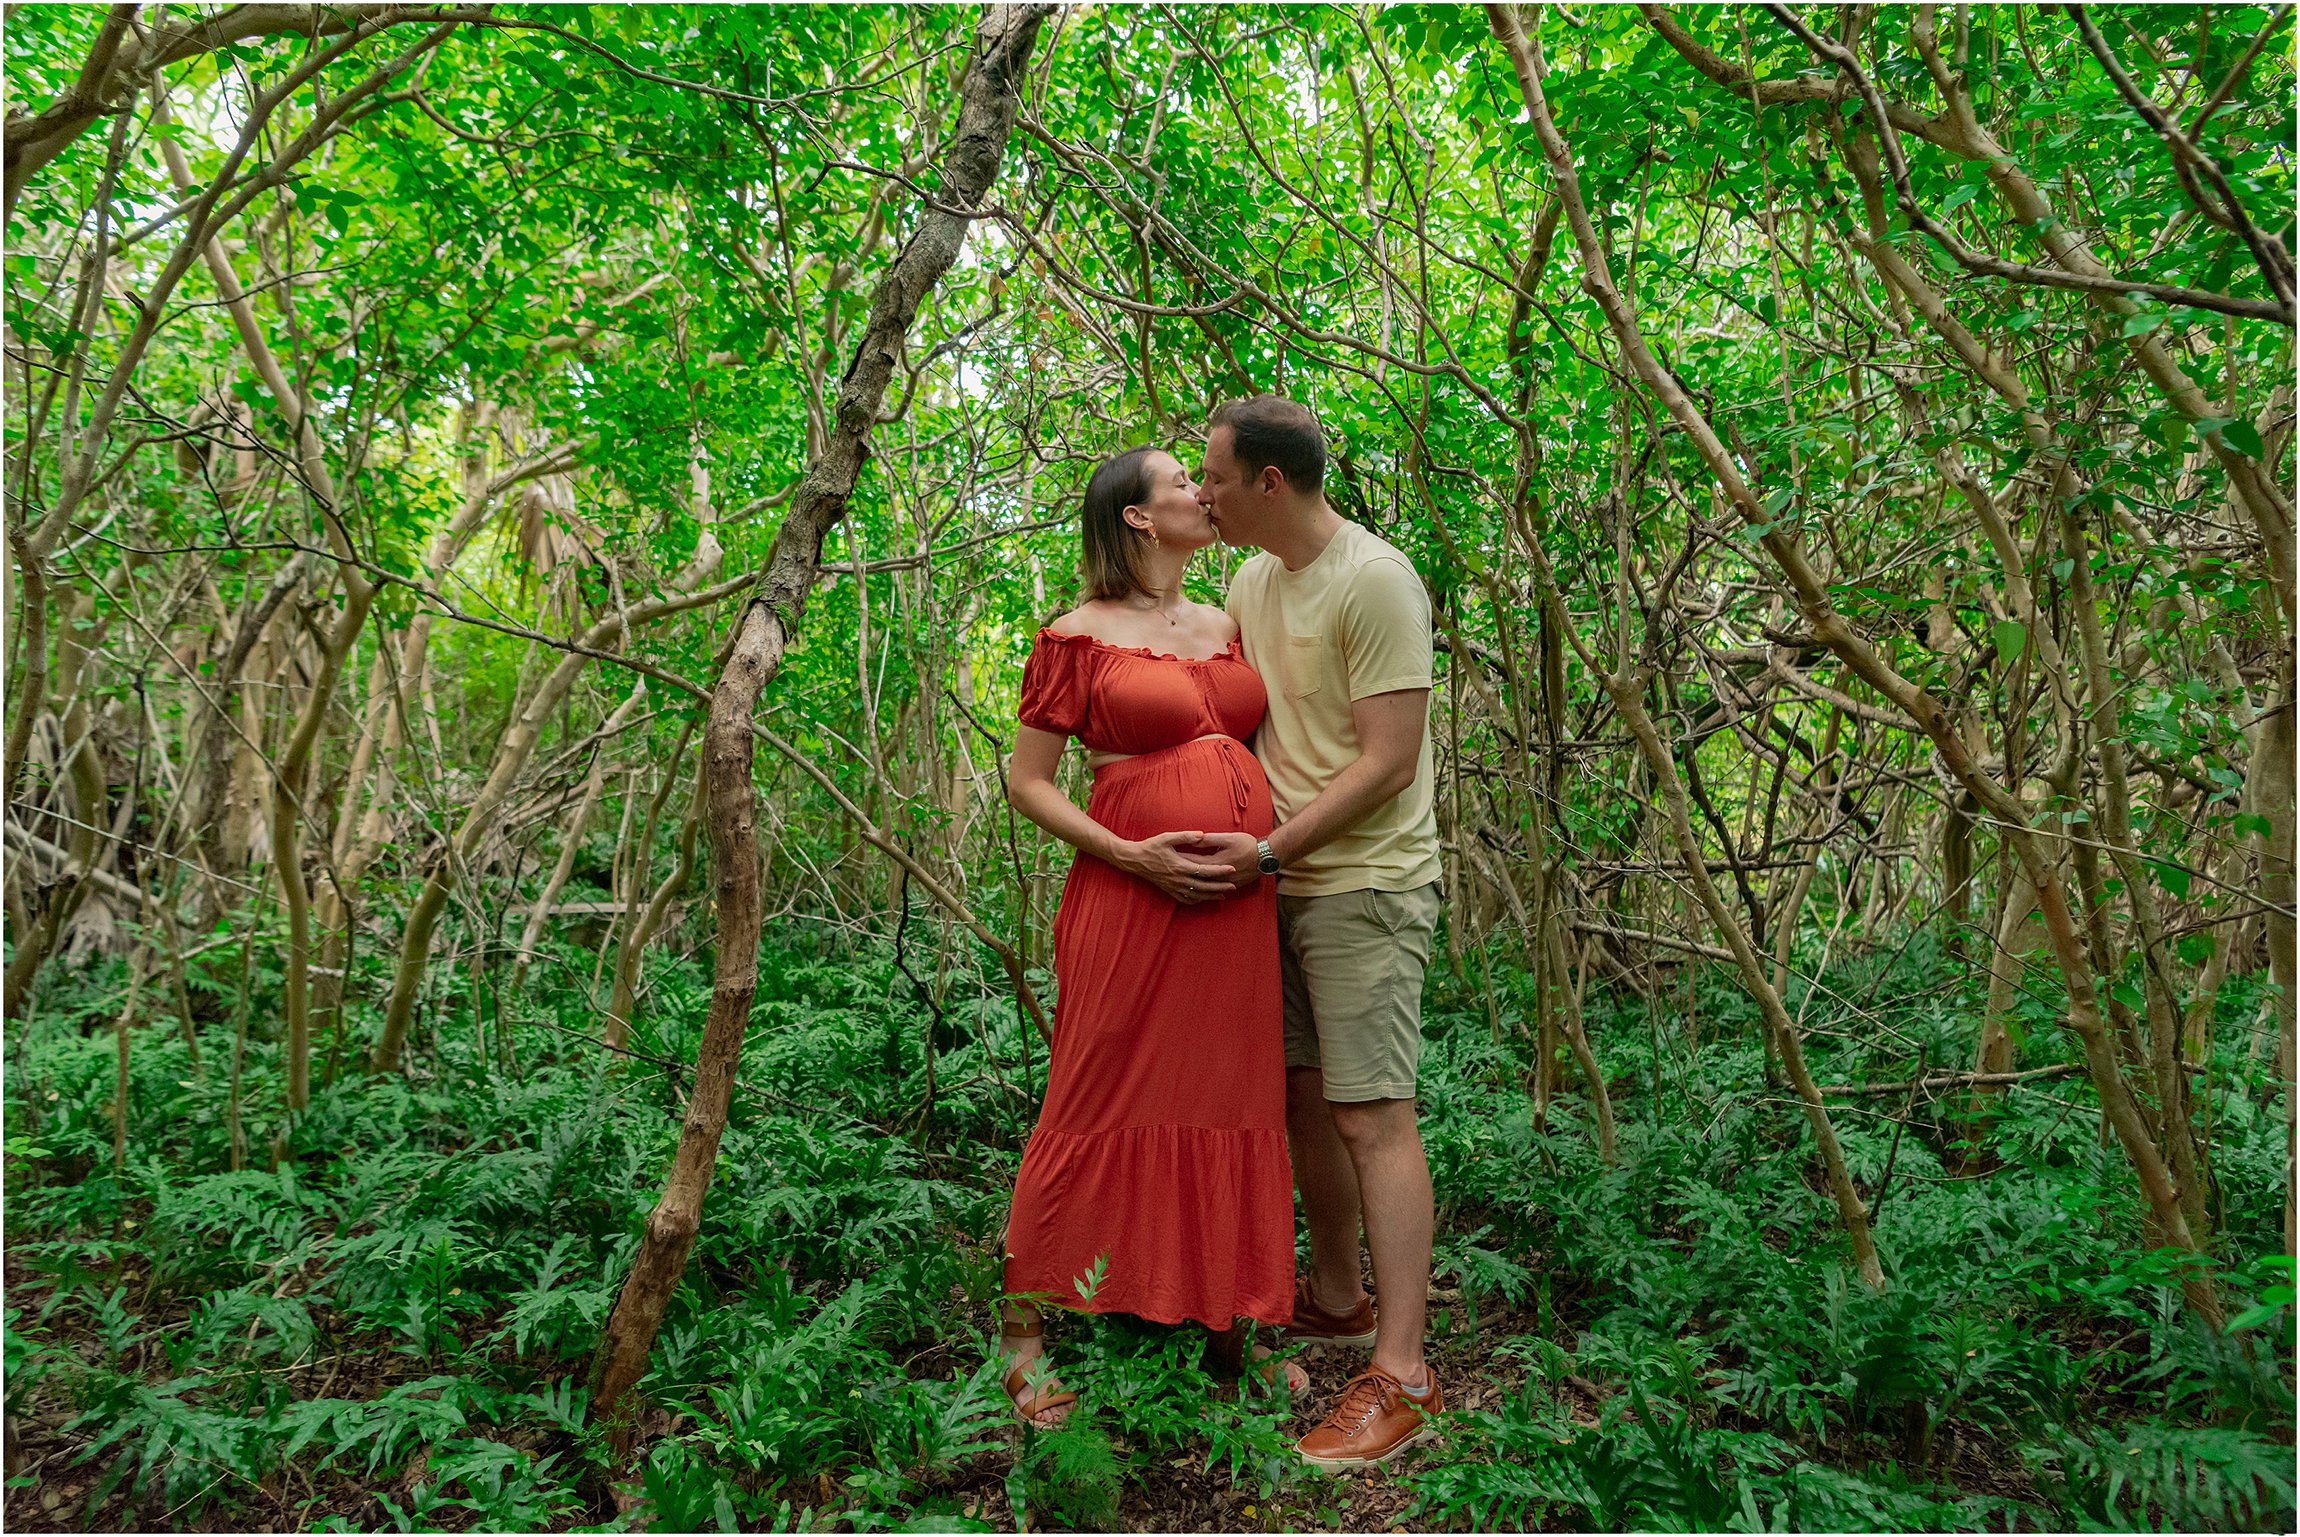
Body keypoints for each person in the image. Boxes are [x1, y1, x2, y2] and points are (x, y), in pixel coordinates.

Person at [997, 445, 1306, 1425]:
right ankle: (1022, 1337)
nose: (1200, 495)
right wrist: (1130, 856)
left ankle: (1230, 1329)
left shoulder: (1227, 623)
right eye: (1180, 484)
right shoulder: (1075, 635)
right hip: (1131, 896)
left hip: (1233, 909)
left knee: (1230, 1095)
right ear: (1135, 517)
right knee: (1093, 1093)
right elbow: (1028, 780)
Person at [1186, 394, 1447, 1469]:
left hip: (1362, 882)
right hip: (1276, 881)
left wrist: (1272, 849)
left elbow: (1388, 757)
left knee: (1371, 1115)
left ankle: (1403, 1369)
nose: (1200, 491)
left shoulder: (1374, 580)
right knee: (1302, 1098)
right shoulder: (1251, 579)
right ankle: (1335, 1298)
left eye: (1212, 474)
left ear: (1267, 484)